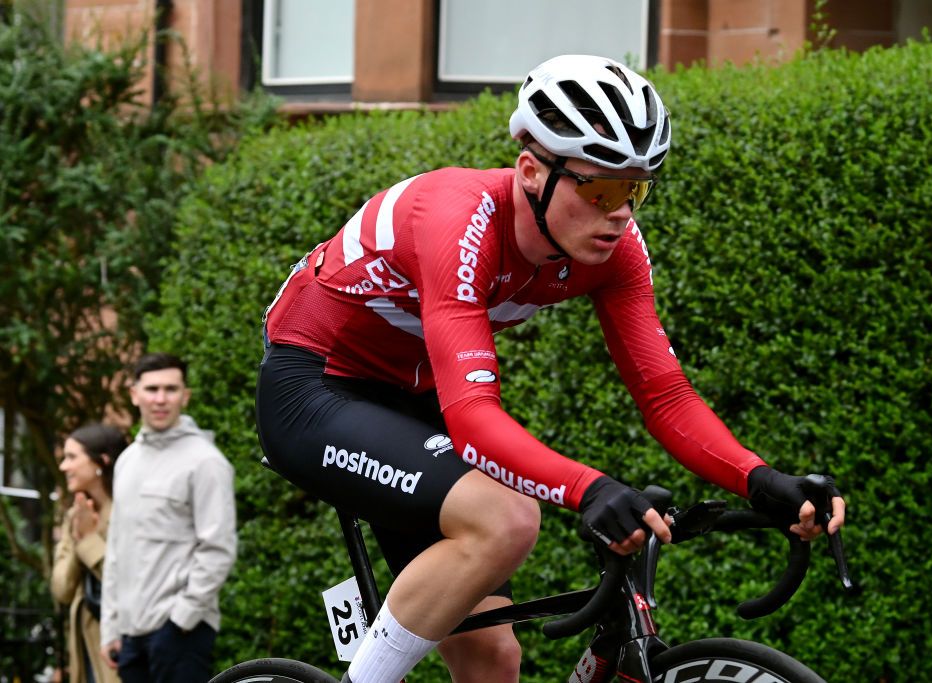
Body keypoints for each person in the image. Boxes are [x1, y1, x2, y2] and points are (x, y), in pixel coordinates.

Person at [256, 54, 847, 683]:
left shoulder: (615, 251)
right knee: (507, 518)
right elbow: (474, 417)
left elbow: (666, 395)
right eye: (601, 188)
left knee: (492, 658)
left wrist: (757, 479)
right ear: (533, 172)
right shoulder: (457, 217)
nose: (621, 212)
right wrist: (589, 488)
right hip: (316, 389)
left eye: (636, 189)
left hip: (412, 399)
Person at [98, 353, 237, 682]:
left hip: (182, 634)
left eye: (171, 389)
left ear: (185, 396)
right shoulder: (127, 461)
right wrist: (110, 628)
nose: (160, 399)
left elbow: (218, 549)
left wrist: (180, 621)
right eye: (152, 389)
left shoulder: (206, 462)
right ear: (134, 394)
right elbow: (117, 550)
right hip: (130, 637)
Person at [51, 423, 128, 683]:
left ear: (101, 461)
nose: (64, 467)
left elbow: (129, 582)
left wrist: (89, 540)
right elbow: (61, 589)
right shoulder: (75, 514)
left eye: (72, 457)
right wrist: (79, 536)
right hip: (84, 650)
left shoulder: (129, 511)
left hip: (122, 644)